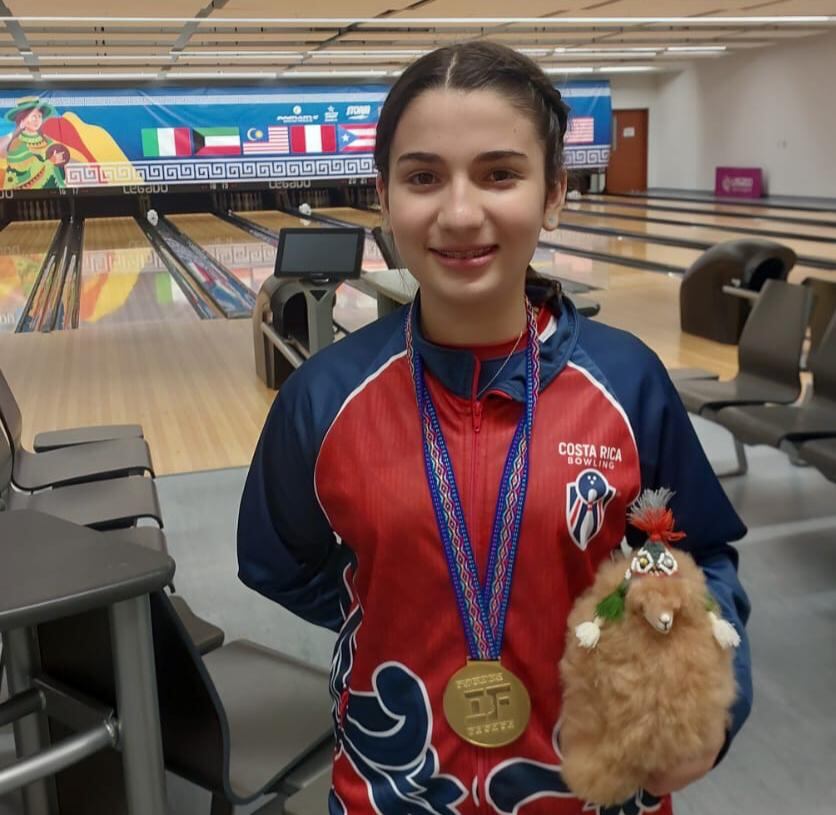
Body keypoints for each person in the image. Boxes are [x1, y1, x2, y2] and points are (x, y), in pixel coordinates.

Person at [237, 41, 752, 815]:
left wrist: (709, 695)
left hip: (598, 786)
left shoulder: (628, 382)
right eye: (423, 177)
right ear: (384, 197)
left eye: (500, 174)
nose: (459, 212)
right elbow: (278, 560)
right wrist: (396, 603)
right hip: (394, 787)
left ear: (554, 194)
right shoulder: (324, 396)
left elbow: (699, 554)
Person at [0, 97, 67, 189]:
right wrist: (50, 162)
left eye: (39, 116)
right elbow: (22, 171)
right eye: (33, 117)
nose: (37, 120)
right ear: (22, 120)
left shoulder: (47, 140)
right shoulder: (17, 143)